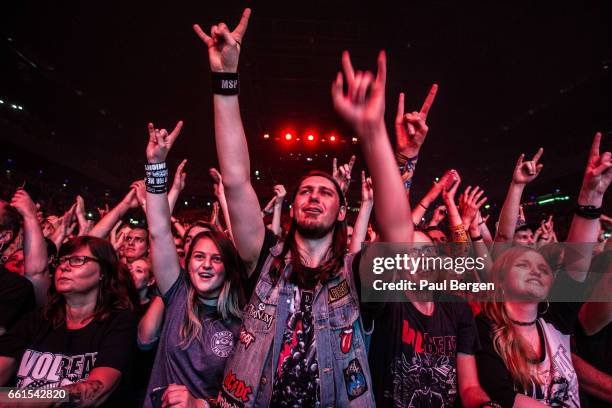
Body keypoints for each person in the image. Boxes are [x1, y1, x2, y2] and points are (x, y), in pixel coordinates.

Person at [193, 8, 413, 406]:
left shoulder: (357, 275)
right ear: (292, 207)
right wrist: (225, 79)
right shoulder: (264, 261)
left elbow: (399, 238)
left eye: (326, 192)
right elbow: (237, 179)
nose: (313, 195)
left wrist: (373, 131)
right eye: (306, 191)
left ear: (343, 212)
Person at [475, 132, 611, 407]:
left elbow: (576, 264)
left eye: (542, 267)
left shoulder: (554, 321)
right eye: (523, 264)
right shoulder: (485, 330)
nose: (536, 270)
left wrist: (591, 196)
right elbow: (503, 396)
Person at [141, 120, 244, 408]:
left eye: (216, 258)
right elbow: (159, 230)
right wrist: (156, 165)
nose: (206, 265)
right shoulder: (177, 295)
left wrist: (199, 404)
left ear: (228, 267)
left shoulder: (243, 318)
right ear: (186, 263)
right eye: (199, 256)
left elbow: (249, 397)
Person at [0, 236, 137, 406]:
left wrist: (12, 399)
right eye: (62, 261)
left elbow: (95, 392)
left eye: (77, 260)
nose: (64, 266)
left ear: (103, 272)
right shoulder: (38, 319)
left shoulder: (119, 322)